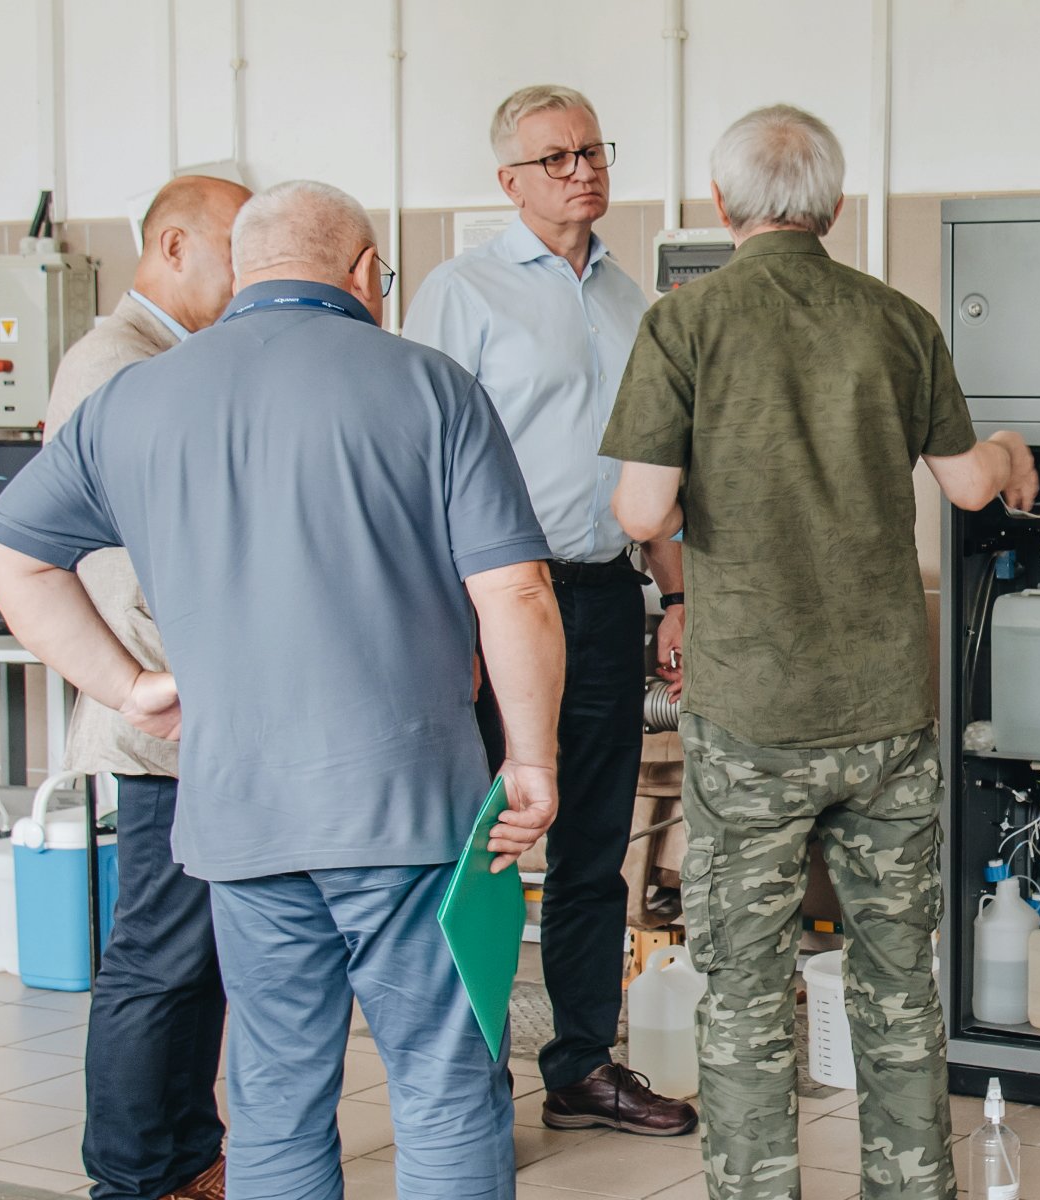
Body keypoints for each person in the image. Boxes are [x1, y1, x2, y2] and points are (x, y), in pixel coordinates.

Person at [0, 180, 564, 1200]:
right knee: (444, 1083)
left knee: (278, 1092)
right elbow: (514, 588)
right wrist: (531, 762)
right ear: (367, 272)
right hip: (410, 816)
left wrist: (129, 686)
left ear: (243, 269)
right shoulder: (429, 385)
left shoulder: (136, 396)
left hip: (238, 814)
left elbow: (4, 553)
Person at [602, 105, 1040, 1200]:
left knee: (743, 989)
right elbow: (972, 487)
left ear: (721, 206)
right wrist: (1009, 446)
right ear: (834, 208)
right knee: (899, 982)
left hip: (752, 713)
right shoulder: (897, 320)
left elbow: (639, 508)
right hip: (886, 708)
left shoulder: (684, 325)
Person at [405, 84, 694, 1136]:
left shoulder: (632, 299)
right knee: (478, 843)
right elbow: (420, 461)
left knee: (594, 844)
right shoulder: (461, 291)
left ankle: (580, 1066)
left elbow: (649, 461)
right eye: (558, 156)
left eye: (593, 149)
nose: (584, 168)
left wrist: (675, 592)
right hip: (491, 604)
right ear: (510, 181)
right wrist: (450, 628)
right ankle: (466, 1082)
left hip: (607, 593)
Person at [41, 173, 249, 1200]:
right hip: (165, 710)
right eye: (234, 247)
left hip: (205, 708)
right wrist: (164, 684)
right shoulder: (114, 365)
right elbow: (117, 565)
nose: (250, 270)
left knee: (198, 956)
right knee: (156, 956)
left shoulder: (178, 360)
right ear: (172, 246)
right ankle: (128, 1175)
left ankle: (186, 1153)